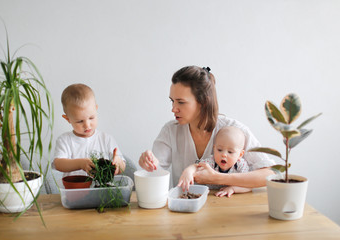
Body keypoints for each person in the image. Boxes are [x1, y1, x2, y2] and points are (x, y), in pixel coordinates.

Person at [138, 66, 274, 189]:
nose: (173, 109)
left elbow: (269, 174)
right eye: (172, 101)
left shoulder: (234, 131)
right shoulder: (170, 130)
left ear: (203, 102)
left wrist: (218, 178)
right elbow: (154, 173)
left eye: (181, 102)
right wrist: (150, 164)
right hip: (185, 210)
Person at [52, 83, 126, 178]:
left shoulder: (106, 139)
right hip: (75, 191)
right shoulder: (65, 140)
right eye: (80, 121)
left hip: (102, 190)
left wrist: (118, 163)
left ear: (96, 109)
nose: (87, 125)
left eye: (91, 118)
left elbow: (122, 167)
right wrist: (80, 164)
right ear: (68, 119)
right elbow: (58, 164)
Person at [178, 126, 251, 197]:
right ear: (214, 148)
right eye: (219, 150)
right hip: (211, 197)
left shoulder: (241, 165)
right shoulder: (211, 162)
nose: (224, 155)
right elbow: (196, 166)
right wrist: (188, 172)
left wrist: (233, 189)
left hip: (233, 200)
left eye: (230, 152)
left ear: (240, 155)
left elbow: (249, 185)